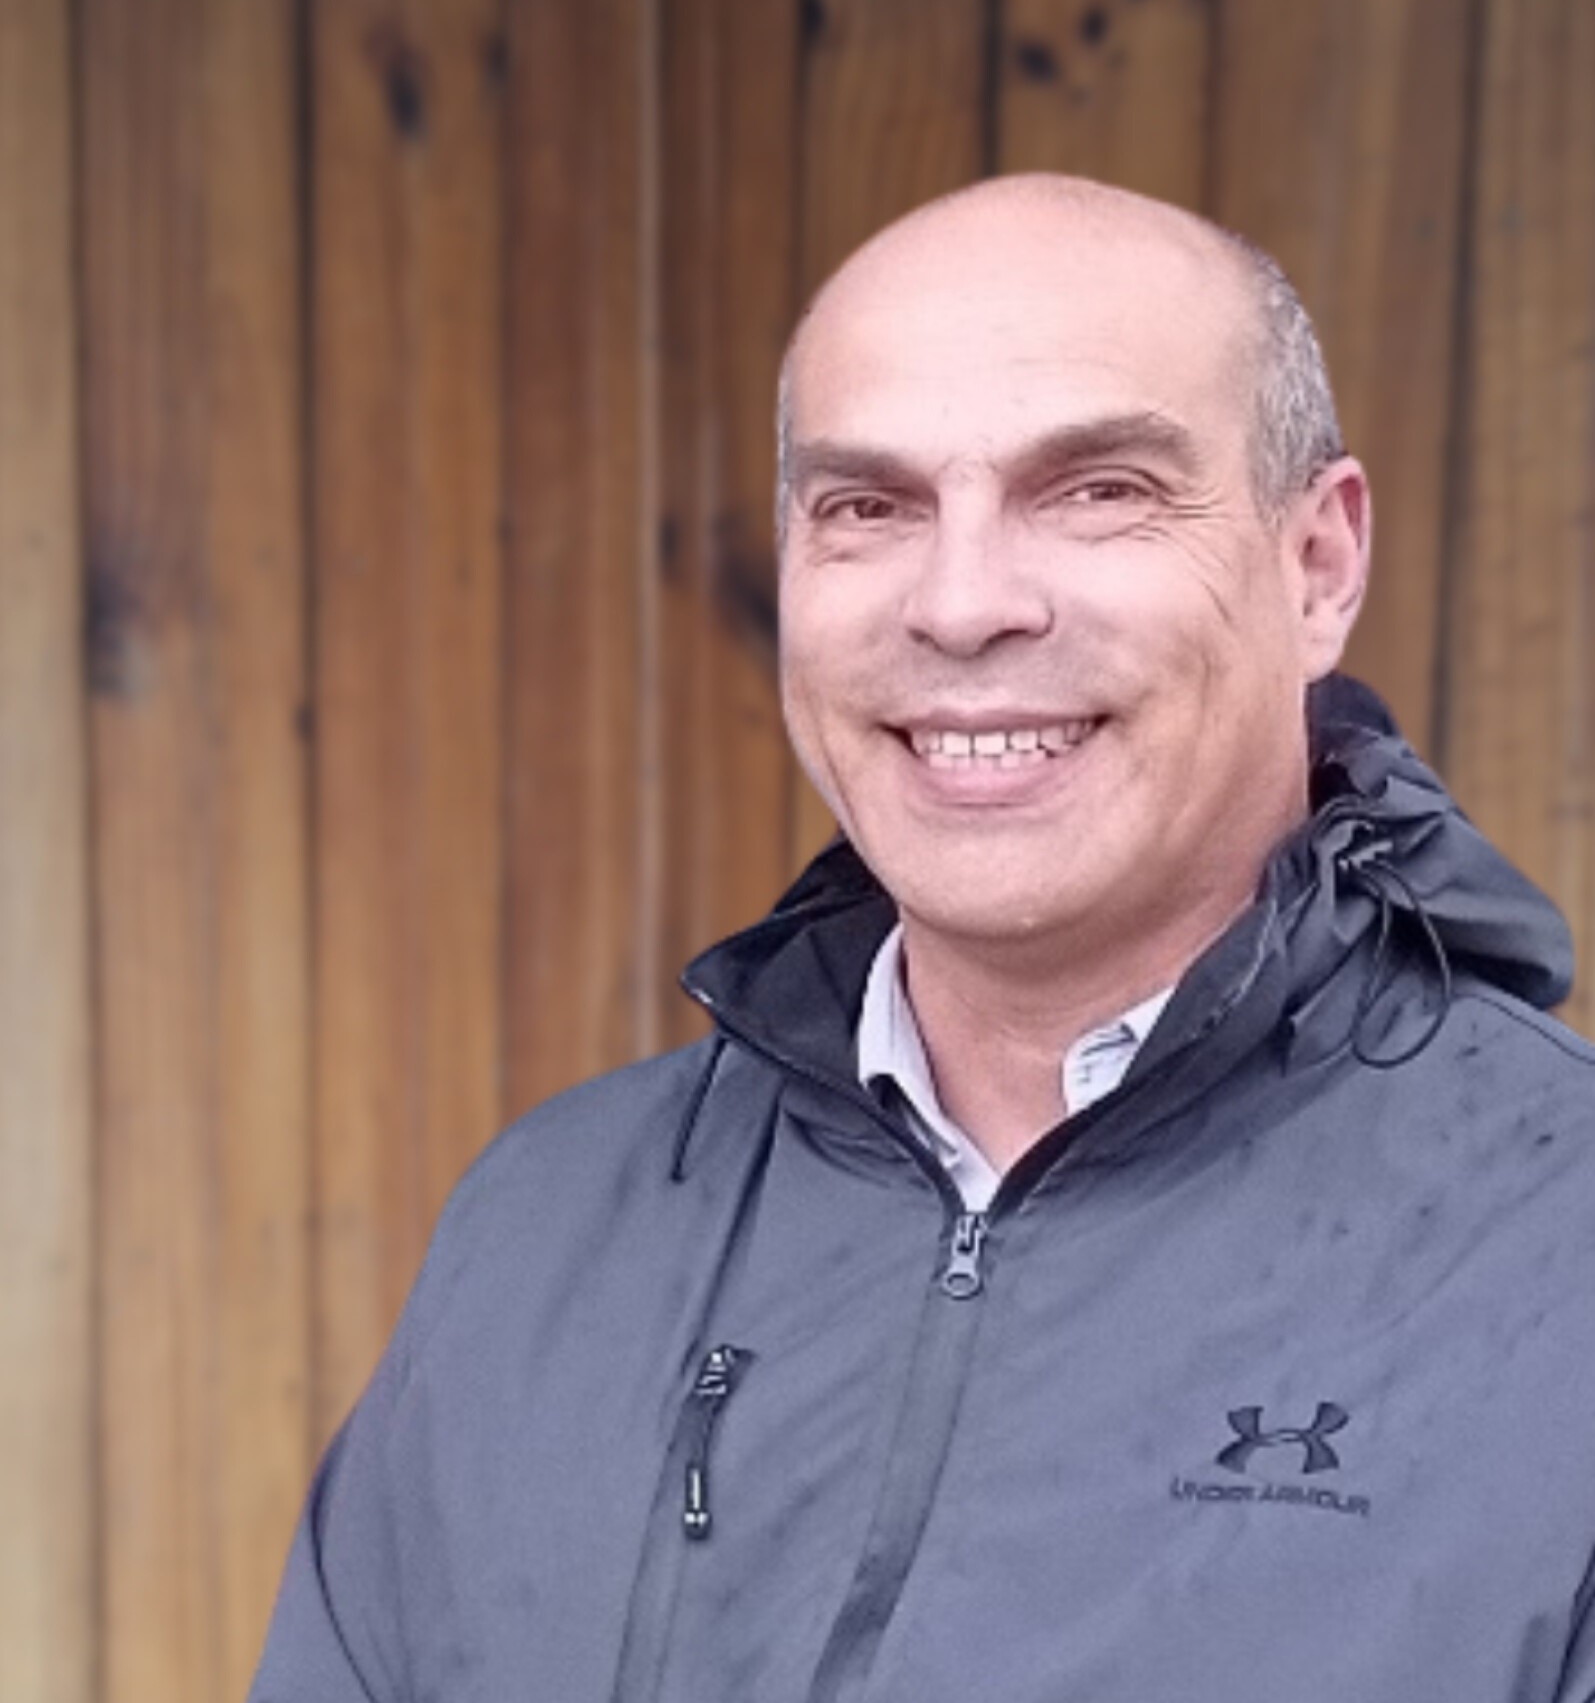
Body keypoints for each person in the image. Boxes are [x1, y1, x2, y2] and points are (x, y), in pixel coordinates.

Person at [250, 176, 1595, 1702]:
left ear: (1318, 566)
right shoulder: (544, 1231)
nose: (960, 605)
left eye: (1097, 490)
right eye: (868, 507)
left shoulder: (1559, 1259)